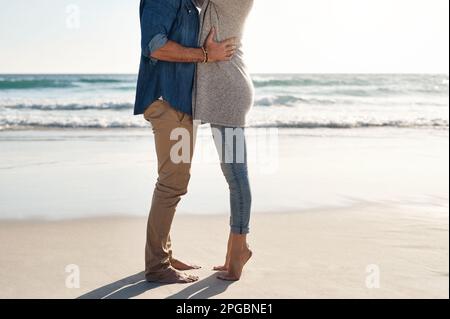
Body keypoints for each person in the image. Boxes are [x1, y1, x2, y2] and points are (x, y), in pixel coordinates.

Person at [134, 0, 237, 284]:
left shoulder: (190, 5)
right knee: (171, 183)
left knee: (175, 182)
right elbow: (156, 46)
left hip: (180, 104)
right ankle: (157, 266)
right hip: (167, 102)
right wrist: (206, 54)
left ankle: (162, 254)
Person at [193, 0, 255, 281]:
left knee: (236, 176)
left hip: (228, 91)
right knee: (233, 175)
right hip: (223, 90)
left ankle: (240, 249)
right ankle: (233, 251)